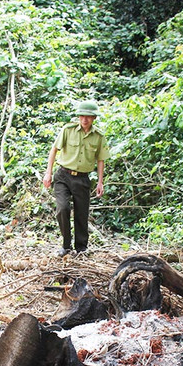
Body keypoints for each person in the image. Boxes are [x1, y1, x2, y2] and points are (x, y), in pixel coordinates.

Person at [42, 100, 110, 256]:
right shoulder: (68, 130)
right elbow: (54, 150)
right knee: (62, 208)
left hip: (82, 179)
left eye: (88, 116)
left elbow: (101, 159)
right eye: (82, 116)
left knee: (81, 214)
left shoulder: (99, 136)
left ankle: (81, 248)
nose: (84, 119)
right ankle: (66, 246)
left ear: (94, 118)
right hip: (63, 176)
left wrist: (100, 182)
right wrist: (48, 172)